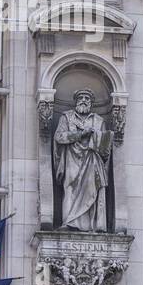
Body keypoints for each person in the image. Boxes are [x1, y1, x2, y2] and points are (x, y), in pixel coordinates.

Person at [52, 90, 111, 232]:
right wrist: (81, 134)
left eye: (87, 98)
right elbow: (59, 137)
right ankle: (69, 222)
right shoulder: (66, 117)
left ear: (91, 102)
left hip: (92, 160)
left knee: (93, 191)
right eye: (81, 97)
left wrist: (99, 140)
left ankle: (92, 226)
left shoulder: (99, 120)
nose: (84, 100)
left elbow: (105, 146)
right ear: (76, 101)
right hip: (72, 159)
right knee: (70, 188)